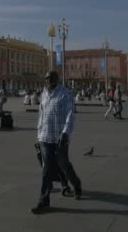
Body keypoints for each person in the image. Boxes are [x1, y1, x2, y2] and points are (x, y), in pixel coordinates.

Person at [31, 71, 82, 214]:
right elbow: (41, 114)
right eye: (46, 79)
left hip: (60, 137)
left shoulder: (65, 93)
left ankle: (76, 185)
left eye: (50, 79)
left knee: (64, 164)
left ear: (56, 79)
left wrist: (66, 133)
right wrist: (39, 132)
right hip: (45, 137)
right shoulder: (44, 94)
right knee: (46, 169)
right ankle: (43, 200)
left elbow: (70, 114)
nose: (47, 81)